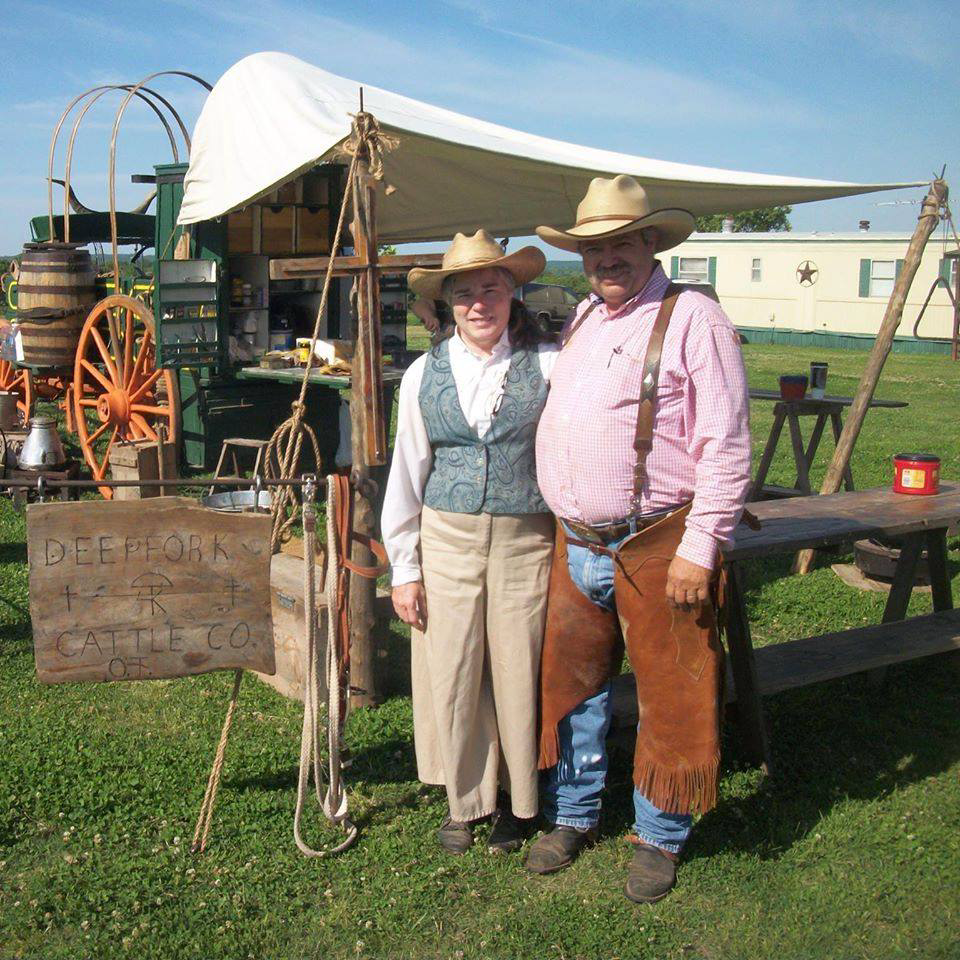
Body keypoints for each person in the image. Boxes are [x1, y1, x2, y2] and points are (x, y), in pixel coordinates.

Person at [526, 175, 751, 902]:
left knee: (672, 693)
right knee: (575, 688)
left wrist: (701, 545)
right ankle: (574, 813)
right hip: (578, 543)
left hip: (658, 544)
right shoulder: (585, 317)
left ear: (651, 241)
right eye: (594, 248)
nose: (606, 258)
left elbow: (726, 446)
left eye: (620, 242)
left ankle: (659, 834)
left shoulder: (694, 319)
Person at [381, 229, 559, 855]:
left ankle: (518, 801)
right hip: (447, 539)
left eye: (491, 288)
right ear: (448, 303)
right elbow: (407, 470)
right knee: (452, 668)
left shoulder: (548, 363)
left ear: (513, 292)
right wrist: (404, 567)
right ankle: (465, 800)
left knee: (517, 668)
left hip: (524, 541)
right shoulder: (420, 376)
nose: (478, 303)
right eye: (464, 294)